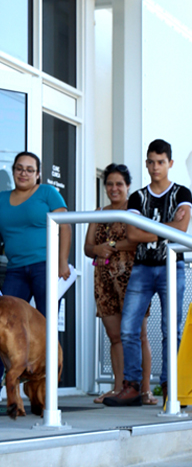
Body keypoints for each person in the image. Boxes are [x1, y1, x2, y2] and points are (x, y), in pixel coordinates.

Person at [0, 151, 70, 397]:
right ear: (13, 171)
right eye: (19, 168)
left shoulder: (47, 194)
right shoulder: (1, 199)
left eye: (29, 169)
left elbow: (65, 226)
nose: (24, 173)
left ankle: (47, 387)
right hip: (16, 270)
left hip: (45, 267)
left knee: (46, 326)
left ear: (38, 174)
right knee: (3, 325)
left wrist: (63, 261)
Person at [105, 139, 192, 406]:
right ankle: (131, 387)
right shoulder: (137, 196)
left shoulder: (182, 193)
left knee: (171, 331)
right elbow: (132, 233)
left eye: (161, 162)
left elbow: (183, 229)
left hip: (171, 266)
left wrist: (150, 229)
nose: (156, 167)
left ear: (170, 164)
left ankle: (170, 387)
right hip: (142, 268)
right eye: (151, 162)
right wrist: (167, 228)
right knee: (129, 329)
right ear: (146, 163)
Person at [83, 163, 155, 404]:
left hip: (133, 277)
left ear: (128, 186)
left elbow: (137, 242)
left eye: (119, 184)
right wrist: (97, 249)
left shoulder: (134, 211)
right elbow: (87, 248)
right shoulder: (98, 213)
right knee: (114, 336)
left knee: (138, 335)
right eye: (110, 184)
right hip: (103, 280)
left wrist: (110, 247)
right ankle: (119, 388)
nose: (114, 188)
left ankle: (145, 390)